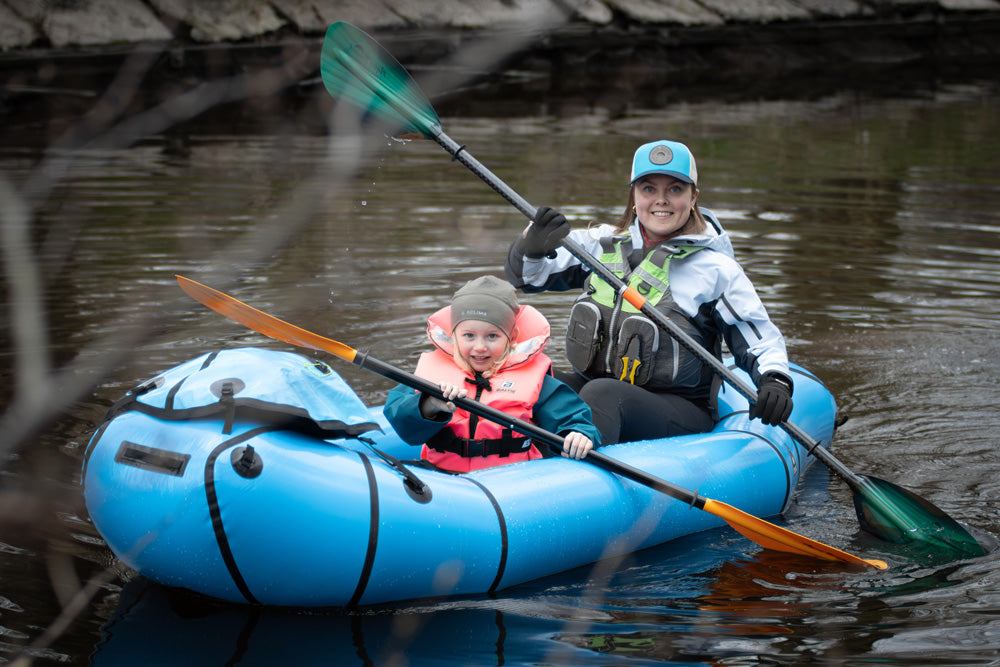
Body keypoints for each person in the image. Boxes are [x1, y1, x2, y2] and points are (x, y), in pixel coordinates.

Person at [503, 139, 794, 445]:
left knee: (602, 394)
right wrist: (529, 246)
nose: (661, 200)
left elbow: (757, 337)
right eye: (649, 189)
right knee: (530, 378)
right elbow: (526, 278)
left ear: (693, 196)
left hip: (679, 409)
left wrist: (775, 381)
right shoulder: (599, 245)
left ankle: (568, 471)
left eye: (675, 189)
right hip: (598, 388)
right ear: (634, 195)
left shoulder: (715, 269)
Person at [383, 275, 600, 473]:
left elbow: (572, 418)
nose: (480, 347)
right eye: (469, 335)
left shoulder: (535, 380)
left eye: (492, 337)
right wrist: (429, 406)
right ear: (454, 335)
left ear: (510, 337)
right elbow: (398, 416)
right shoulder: (432, 374)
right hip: (440, 475)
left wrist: (579, 434)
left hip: (512, 478)